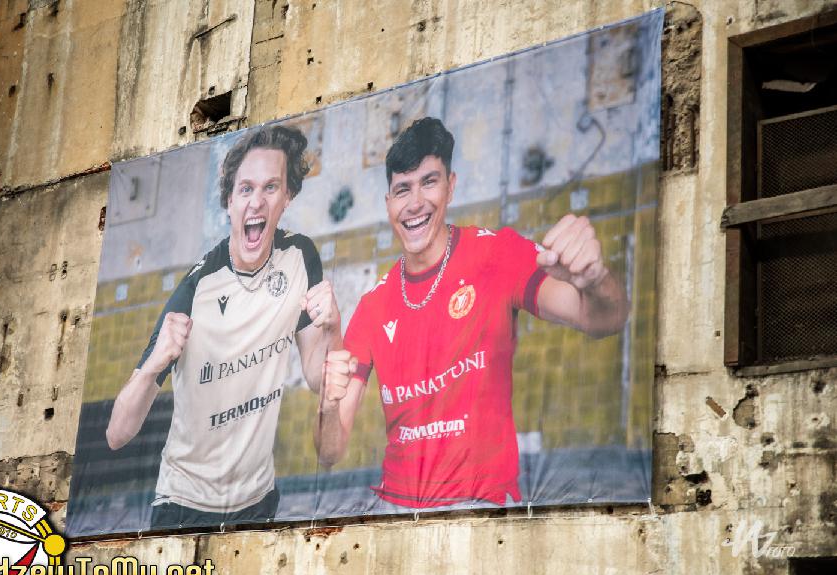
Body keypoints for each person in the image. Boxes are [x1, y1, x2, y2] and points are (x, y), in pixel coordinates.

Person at [316, 117, 628, 509]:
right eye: (402, 189)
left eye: (429, 182)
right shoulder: (372, 305)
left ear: (451, 186)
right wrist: (328, 406)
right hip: (395, 510)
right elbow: (330, 451)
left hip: (480, 506)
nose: (415, 203)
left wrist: (595, 279)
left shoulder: (496, 254)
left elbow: (604, 319)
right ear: (389, 203)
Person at [106, 125, 341, 528]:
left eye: (270, 187)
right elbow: (116, 434)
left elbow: (319, 377)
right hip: (183, 503)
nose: (256, 202)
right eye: (245, 189)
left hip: (258, 501)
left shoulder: (300, 258)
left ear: (287, 196)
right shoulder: (197, 290)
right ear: (229, 201)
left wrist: (332, 327)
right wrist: (155, 363)